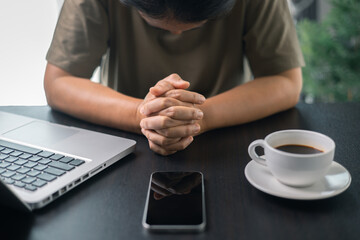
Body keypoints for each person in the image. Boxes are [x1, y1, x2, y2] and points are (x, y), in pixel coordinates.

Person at [44, 0, 304, 155]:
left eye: (197, 24)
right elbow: (59, 82)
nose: (177, 34)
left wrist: (202, 117)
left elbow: (286, 81)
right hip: (124, 140)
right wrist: (140, 115)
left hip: (228, 138)